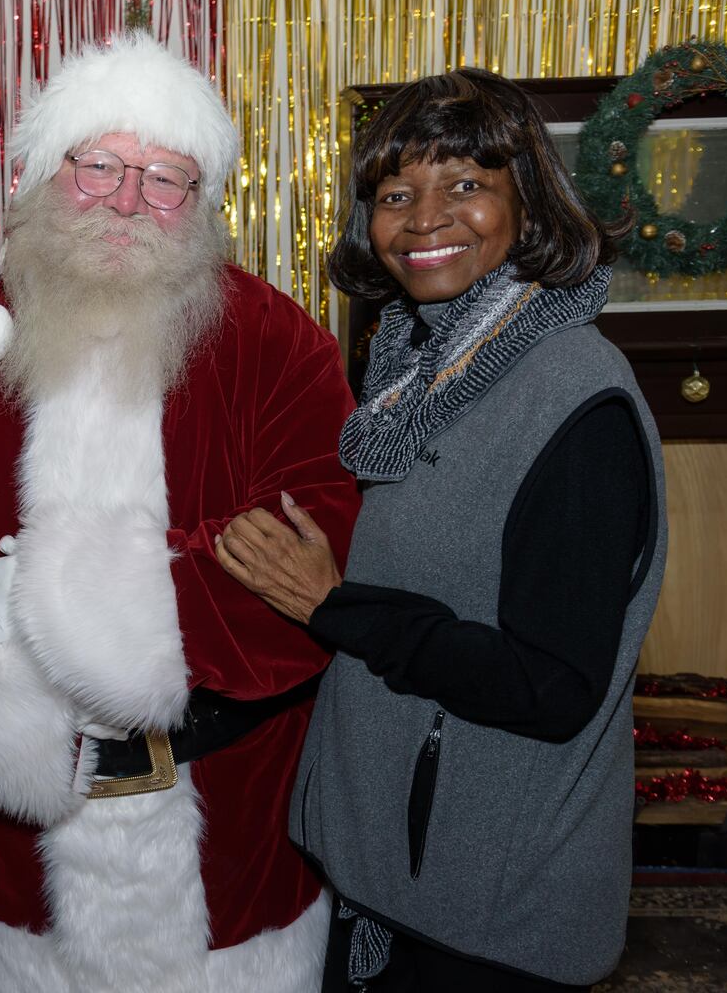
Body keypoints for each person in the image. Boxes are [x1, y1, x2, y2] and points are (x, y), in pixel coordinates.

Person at [0, 35, 360, 993]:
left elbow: (316, 557)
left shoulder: (281, 349)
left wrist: (61, 599)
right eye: (101, 166)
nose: (126, 200)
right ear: (44, 174)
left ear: (201, 205)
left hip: (223, 857)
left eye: (164, 178)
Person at [214, 69, 667, 991]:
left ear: (528, 203)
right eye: (395, 194)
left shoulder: (572, 393)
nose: (425, 220)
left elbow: (550, 686)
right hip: (399, 879)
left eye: (465, 185)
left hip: (490, 914)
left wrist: (334, 605)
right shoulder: (417, 368)